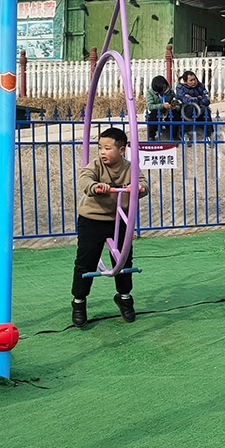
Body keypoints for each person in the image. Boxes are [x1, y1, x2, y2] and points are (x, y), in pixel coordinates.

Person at [71, 127, 149, 328]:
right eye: (99, 148)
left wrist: (138, 189)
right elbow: (85, 178)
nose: (102, 152)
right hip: (93, 219)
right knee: (85, 261)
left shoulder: (130, 167)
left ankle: (124, 297)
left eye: (107, 148)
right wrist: (95, 187)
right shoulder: (96, 165)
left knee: (123, 260)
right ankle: (79, 301)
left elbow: (142, 184)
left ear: (122, 150)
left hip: (120, 220)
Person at [176, 70, 213, 136]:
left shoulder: (200, 86)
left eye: (194, 79)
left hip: (199, 107)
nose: (194, 82)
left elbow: (207, 101)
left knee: (206, 110)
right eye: (191, 80)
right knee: (190, 108)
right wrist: (198, 98)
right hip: (186, 109)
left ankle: (209, 134)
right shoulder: (180, 87)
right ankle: (184, 133)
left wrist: (192, 98)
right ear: (185, 81)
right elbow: (185, 101)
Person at [145, 75, 182, 142]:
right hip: (157, 112)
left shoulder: (170, 92)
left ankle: (174, 136)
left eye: (162, 90)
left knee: (175, 114)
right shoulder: (150, 92)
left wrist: (174, 107)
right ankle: (151, 136)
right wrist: (162, 106)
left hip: (168, 112)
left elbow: (178, 105)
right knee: (153, 114)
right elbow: (150, 106)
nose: (161, 92)